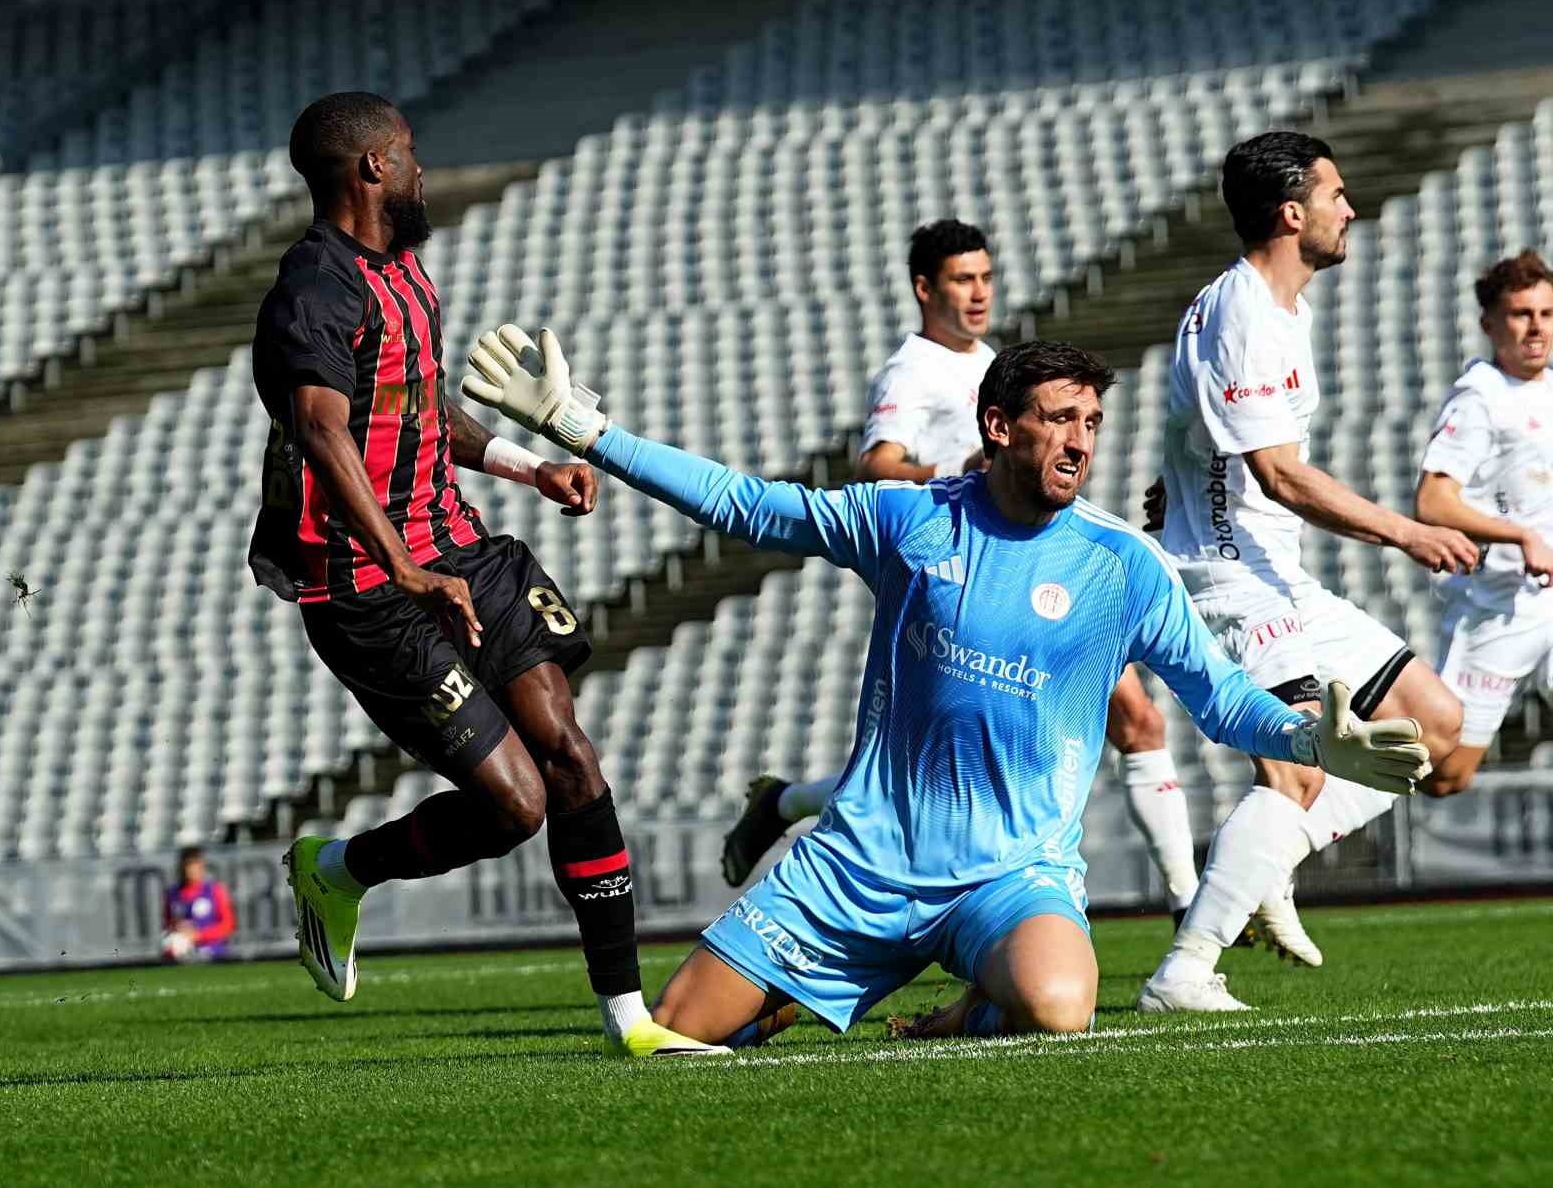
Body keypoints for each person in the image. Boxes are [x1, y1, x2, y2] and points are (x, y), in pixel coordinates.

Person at [459, 323, 1429, 1045]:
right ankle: (817, 981)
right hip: (858, 864)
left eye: (1091, 421)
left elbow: (1219, 697)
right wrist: (583, 429)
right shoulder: (908, 520)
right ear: (999, 425)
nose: (1080, 442)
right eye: (1058, 419)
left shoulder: (1121, 565)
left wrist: (1308, 740)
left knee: (1060, 1005)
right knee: (677, 1029)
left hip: (1009, 877)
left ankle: (968, 1000)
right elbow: (748, 505)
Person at [253, 91, 722, 1058]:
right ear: (371, 169)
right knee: (516, 803)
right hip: (369, 589)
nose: (423, 170)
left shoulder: (407, 277)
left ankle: (630, 1020)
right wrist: (405, 568)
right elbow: (320, 431)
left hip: (465, 552)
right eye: (410, 154)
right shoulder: (315, 290)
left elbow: (424, 416)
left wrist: (530, 465)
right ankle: (338, 870)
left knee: (571, 757)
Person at [720, 220, 1202, 926]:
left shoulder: (998, 361)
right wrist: (962, 467)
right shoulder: (911, 370)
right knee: (1129, 718)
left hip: (1024, 563)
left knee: (1114, 723)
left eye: (986, 277)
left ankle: (786, 803)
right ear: (925, 288)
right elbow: (875, 468)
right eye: (962, 280)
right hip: (956, 569)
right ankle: (1189, 905)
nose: (979, 293)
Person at [1137, 131, 1480, 1014]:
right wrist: (1405, 532)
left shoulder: (1276, 307)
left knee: (1439, 731)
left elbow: (1194, 421)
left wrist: (1170, 480)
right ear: (1293, 213)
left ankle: (1266, 858)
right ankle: (1187, 967)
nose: (1350, 208)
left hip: (1274, 570)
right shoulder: (1244, 309)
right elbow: (1279, 473)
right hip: (1226, 577)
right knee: (1297, 772)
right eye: (1336, 194)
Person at [1415, 250, 1553, 782]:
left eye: (1546, 313)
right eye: (1521, 314)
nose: (1536, 327)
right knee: (1449, 777)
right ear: (1489, 324)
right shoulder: (1479, 400)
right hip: (1498, 606)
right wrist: (1520, 535)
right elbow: (1432, 502)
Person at [161, 846, 236, 962]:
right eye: (188, 865)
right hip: (183, 953)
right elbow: (167, 924)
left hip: (214, 954)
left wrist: (199, 935)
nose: (191, 870)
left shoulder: (215, 891)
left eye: (196, 865)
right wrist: (176, 930)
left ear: (202, 867)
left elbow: (228, 925)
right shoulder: (172, 894)